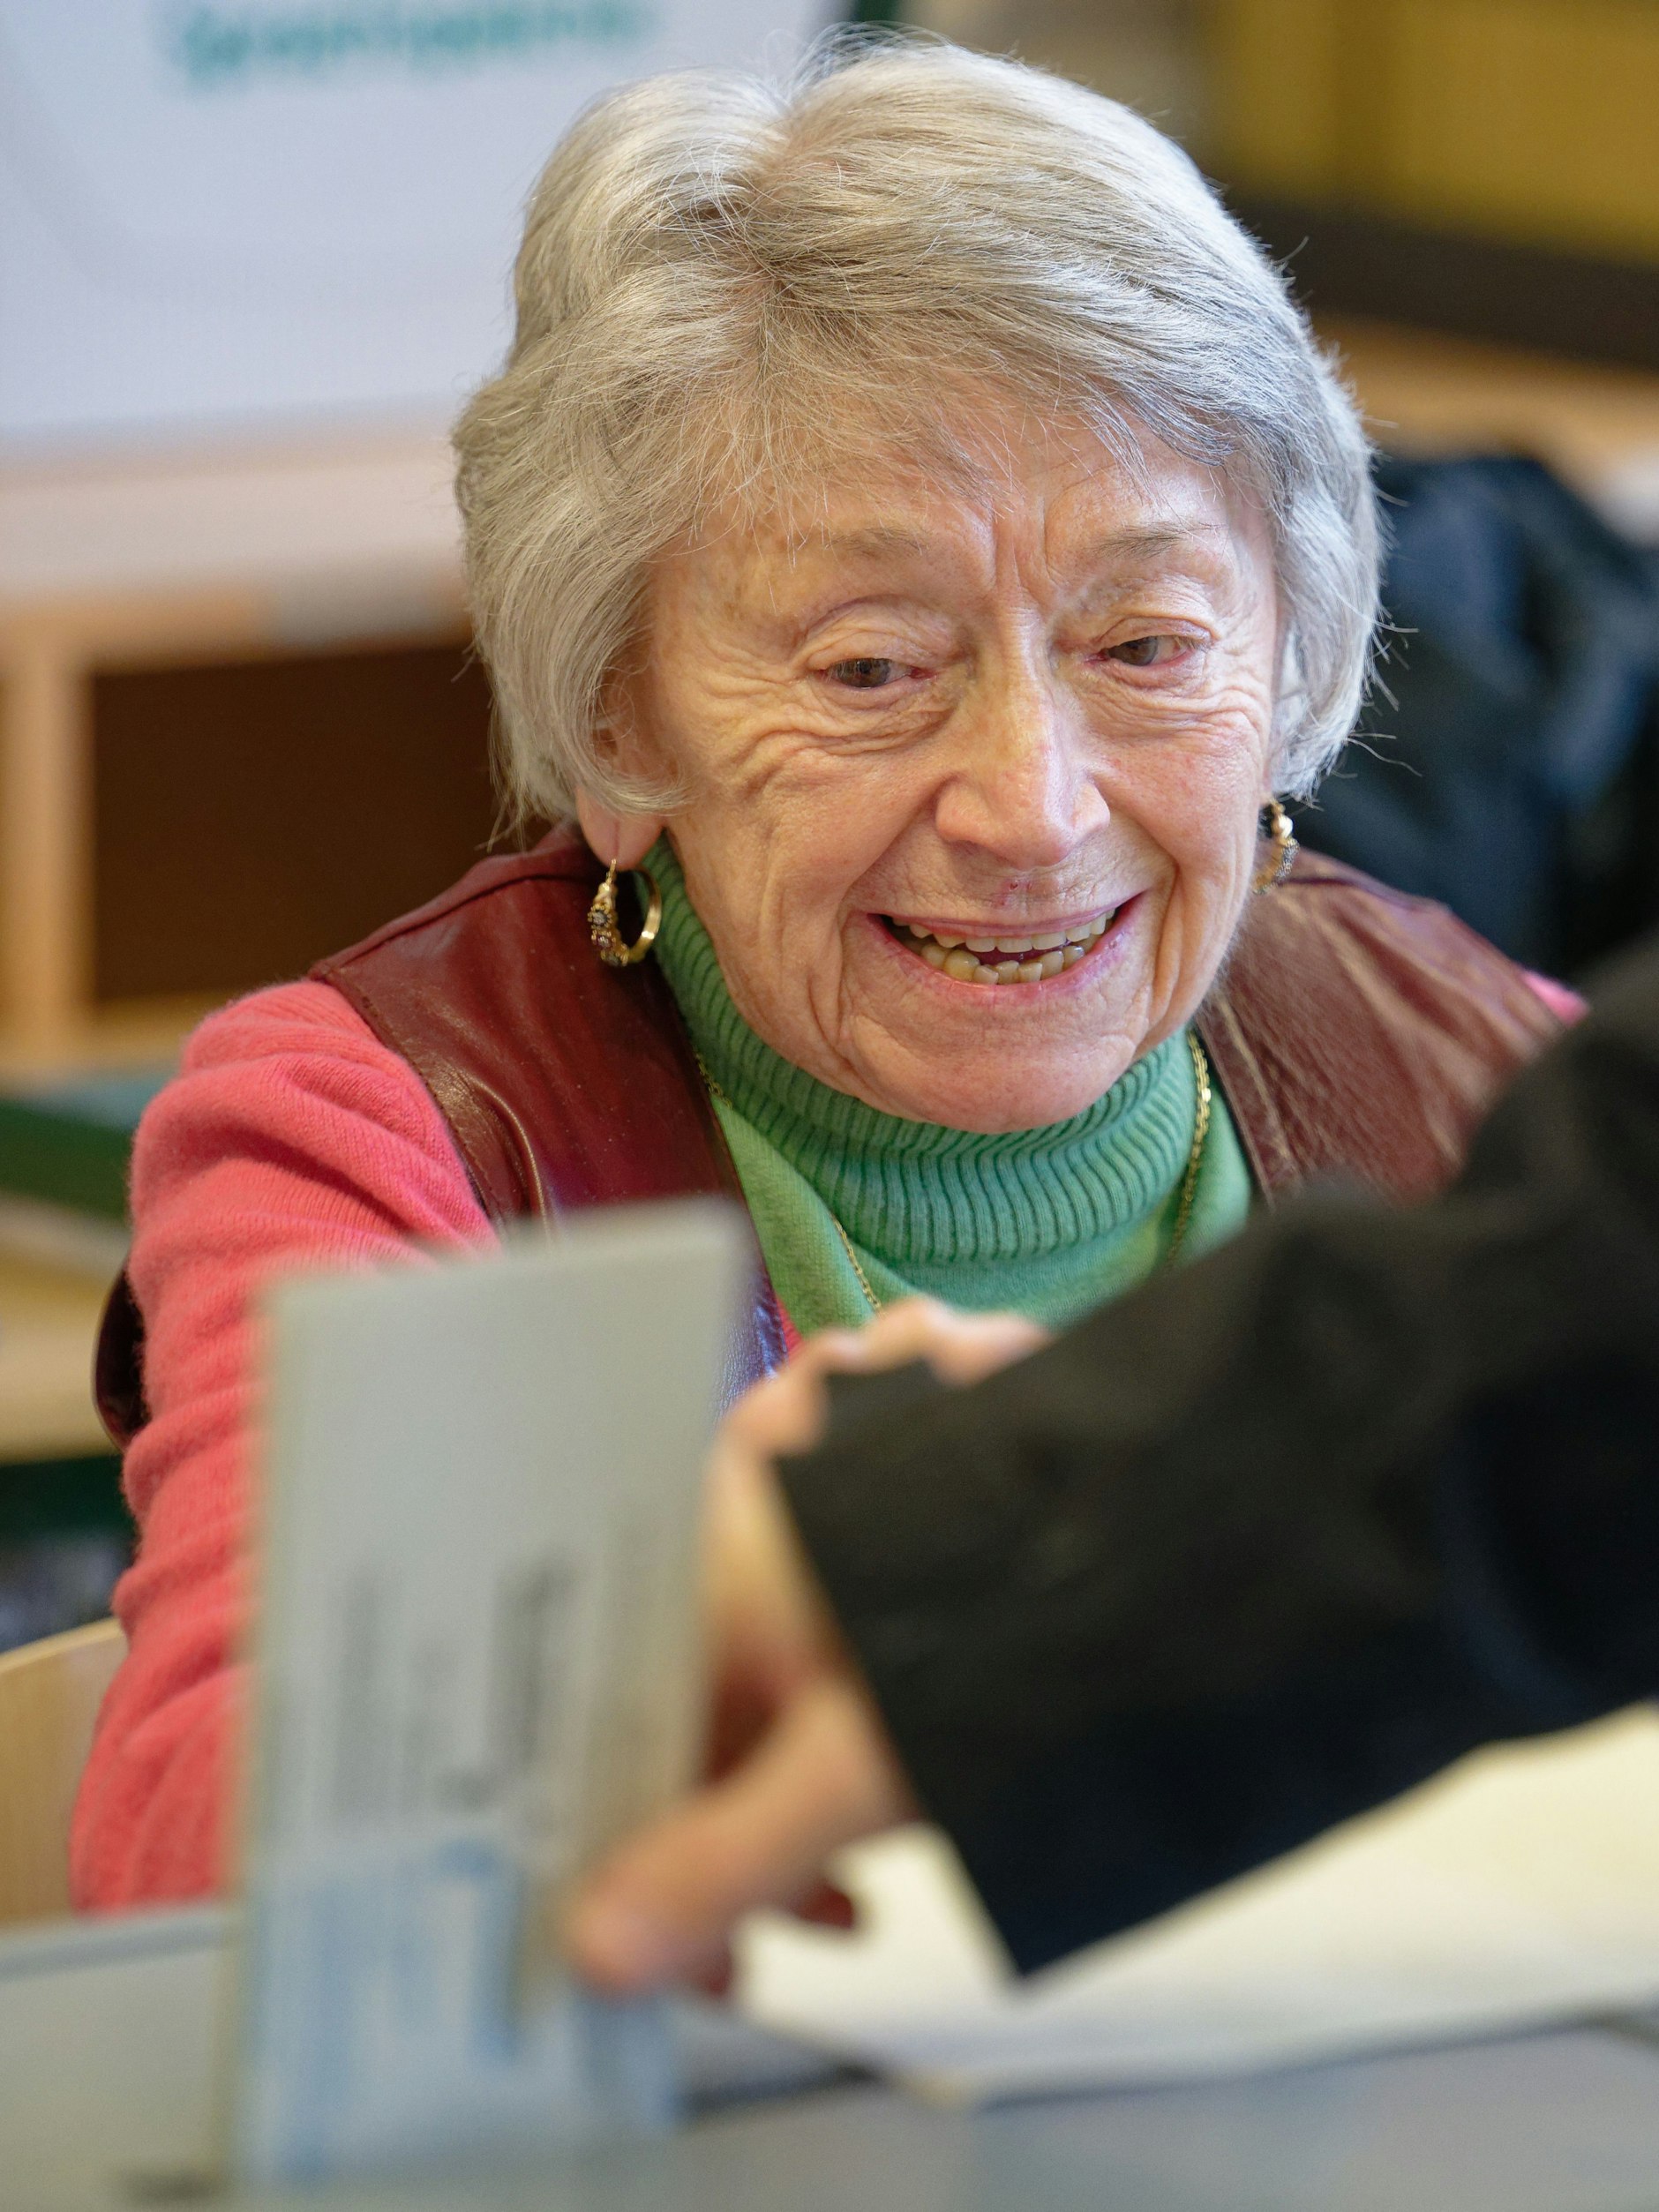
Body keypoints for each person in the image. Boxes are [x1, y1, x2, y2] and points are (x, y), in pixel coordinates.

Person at [74, 39, 1565, 1910]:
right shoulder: (388, 1137)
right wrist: (717, 1608)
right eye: (871, 667)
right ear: (621, 711)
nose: (1030, 806)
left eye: (1144, 640)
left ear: (1293, 653)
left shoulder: (1497, 1079)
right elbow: (198, 1872)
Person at [564, 931, 1659, 1993]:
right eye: (868, 723)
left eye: (1155, 721)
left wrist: (970, 1557)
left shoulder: (1491, 1033)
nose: (1031, 815)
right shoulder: (421, 1132)